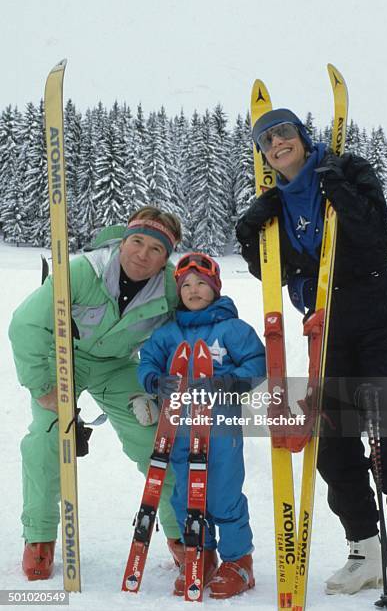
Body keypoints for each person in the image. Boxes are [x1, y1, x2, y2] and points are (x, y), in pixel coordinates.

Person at [235, 109, 387, 596]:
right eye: (266, 139)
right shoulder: (275, 202)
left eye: (284, 131)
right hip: (325, 322)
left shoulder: (349, 170)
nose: (276, 142)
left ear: (303, 138)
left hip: (381, 315)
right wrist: (252, 235)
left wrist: (340, 191)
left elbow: (379, 239)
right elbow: (272, 271)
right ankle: (365, 551)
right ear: (264, 155)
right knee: (331, 442)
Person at [9, 205, 185, 581]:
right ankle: (39, 537)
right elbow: (25, 324)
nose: (143, 254)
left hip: (118, 364)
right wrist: (44, 388)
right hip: (63, 358)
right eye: (137, 242)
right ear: (123, 241)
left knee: (156, 441)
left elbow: (178, 339)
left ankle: (180, 532)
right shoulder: (83, 271)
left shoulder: (171, 288)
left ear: (165, 259)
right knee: (47, 440)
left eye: (156, 250)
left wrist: (159, 387)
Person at [138, 252, 266, 599]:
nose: (193, 290)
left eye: (201, 284)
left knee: (223, 493)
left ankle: (239, 560)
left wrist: (227, 383)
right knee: (186, 495)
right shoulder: (169, 333)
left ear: (215, 288)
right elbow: (147, 359)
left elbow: (257, 363)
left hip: (221, 426)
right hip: (179, 427)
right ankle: (202, 553)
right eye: (186, 285)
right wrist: (153, 380)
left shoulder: (232, 329)